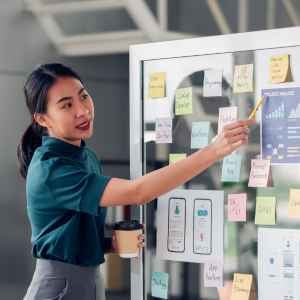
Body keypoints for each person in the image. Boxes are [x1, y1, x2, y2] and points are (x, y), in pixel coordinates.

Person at [18, 63, 253, 300]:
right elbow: (138, 192)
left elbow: (71, 233)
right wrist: (213, 151)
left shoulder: (84, 156)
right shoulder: (51, 168)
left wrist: (109, 244)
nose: (82, 110)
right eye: (67, 105)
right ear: (43, 118)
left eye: (83, 97)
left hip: (90, 282)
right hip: (59, 287)